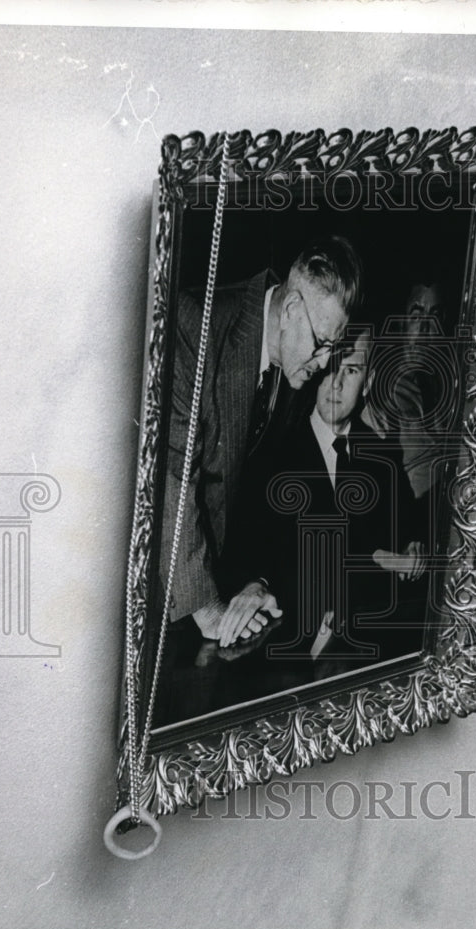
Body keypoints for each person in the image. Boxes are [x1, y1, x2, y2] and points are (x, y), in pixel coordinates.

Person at [160, 235, 364, 646]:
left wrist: (258, 579)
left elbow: (271, 489)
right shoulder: (195, 327)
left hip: (219, 586)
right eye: (323, 344)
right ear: (290, 309)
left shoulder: (294, 366)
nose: (326, 364)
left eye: (334, 349)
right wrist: (208, 608)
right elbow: (171, 481)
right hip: (165, 594)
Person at [229, 330, 427, 660]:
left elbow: (409, 524)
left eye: (351, 370)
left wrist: (413, 544)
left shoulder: (383, 455)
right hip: (285, 651)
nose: (335, 383)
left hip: (367, 645)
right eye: (330, 368)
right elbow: (246, 548)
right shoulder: (272, 449)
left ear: (368, 381)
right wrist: (254, 581)